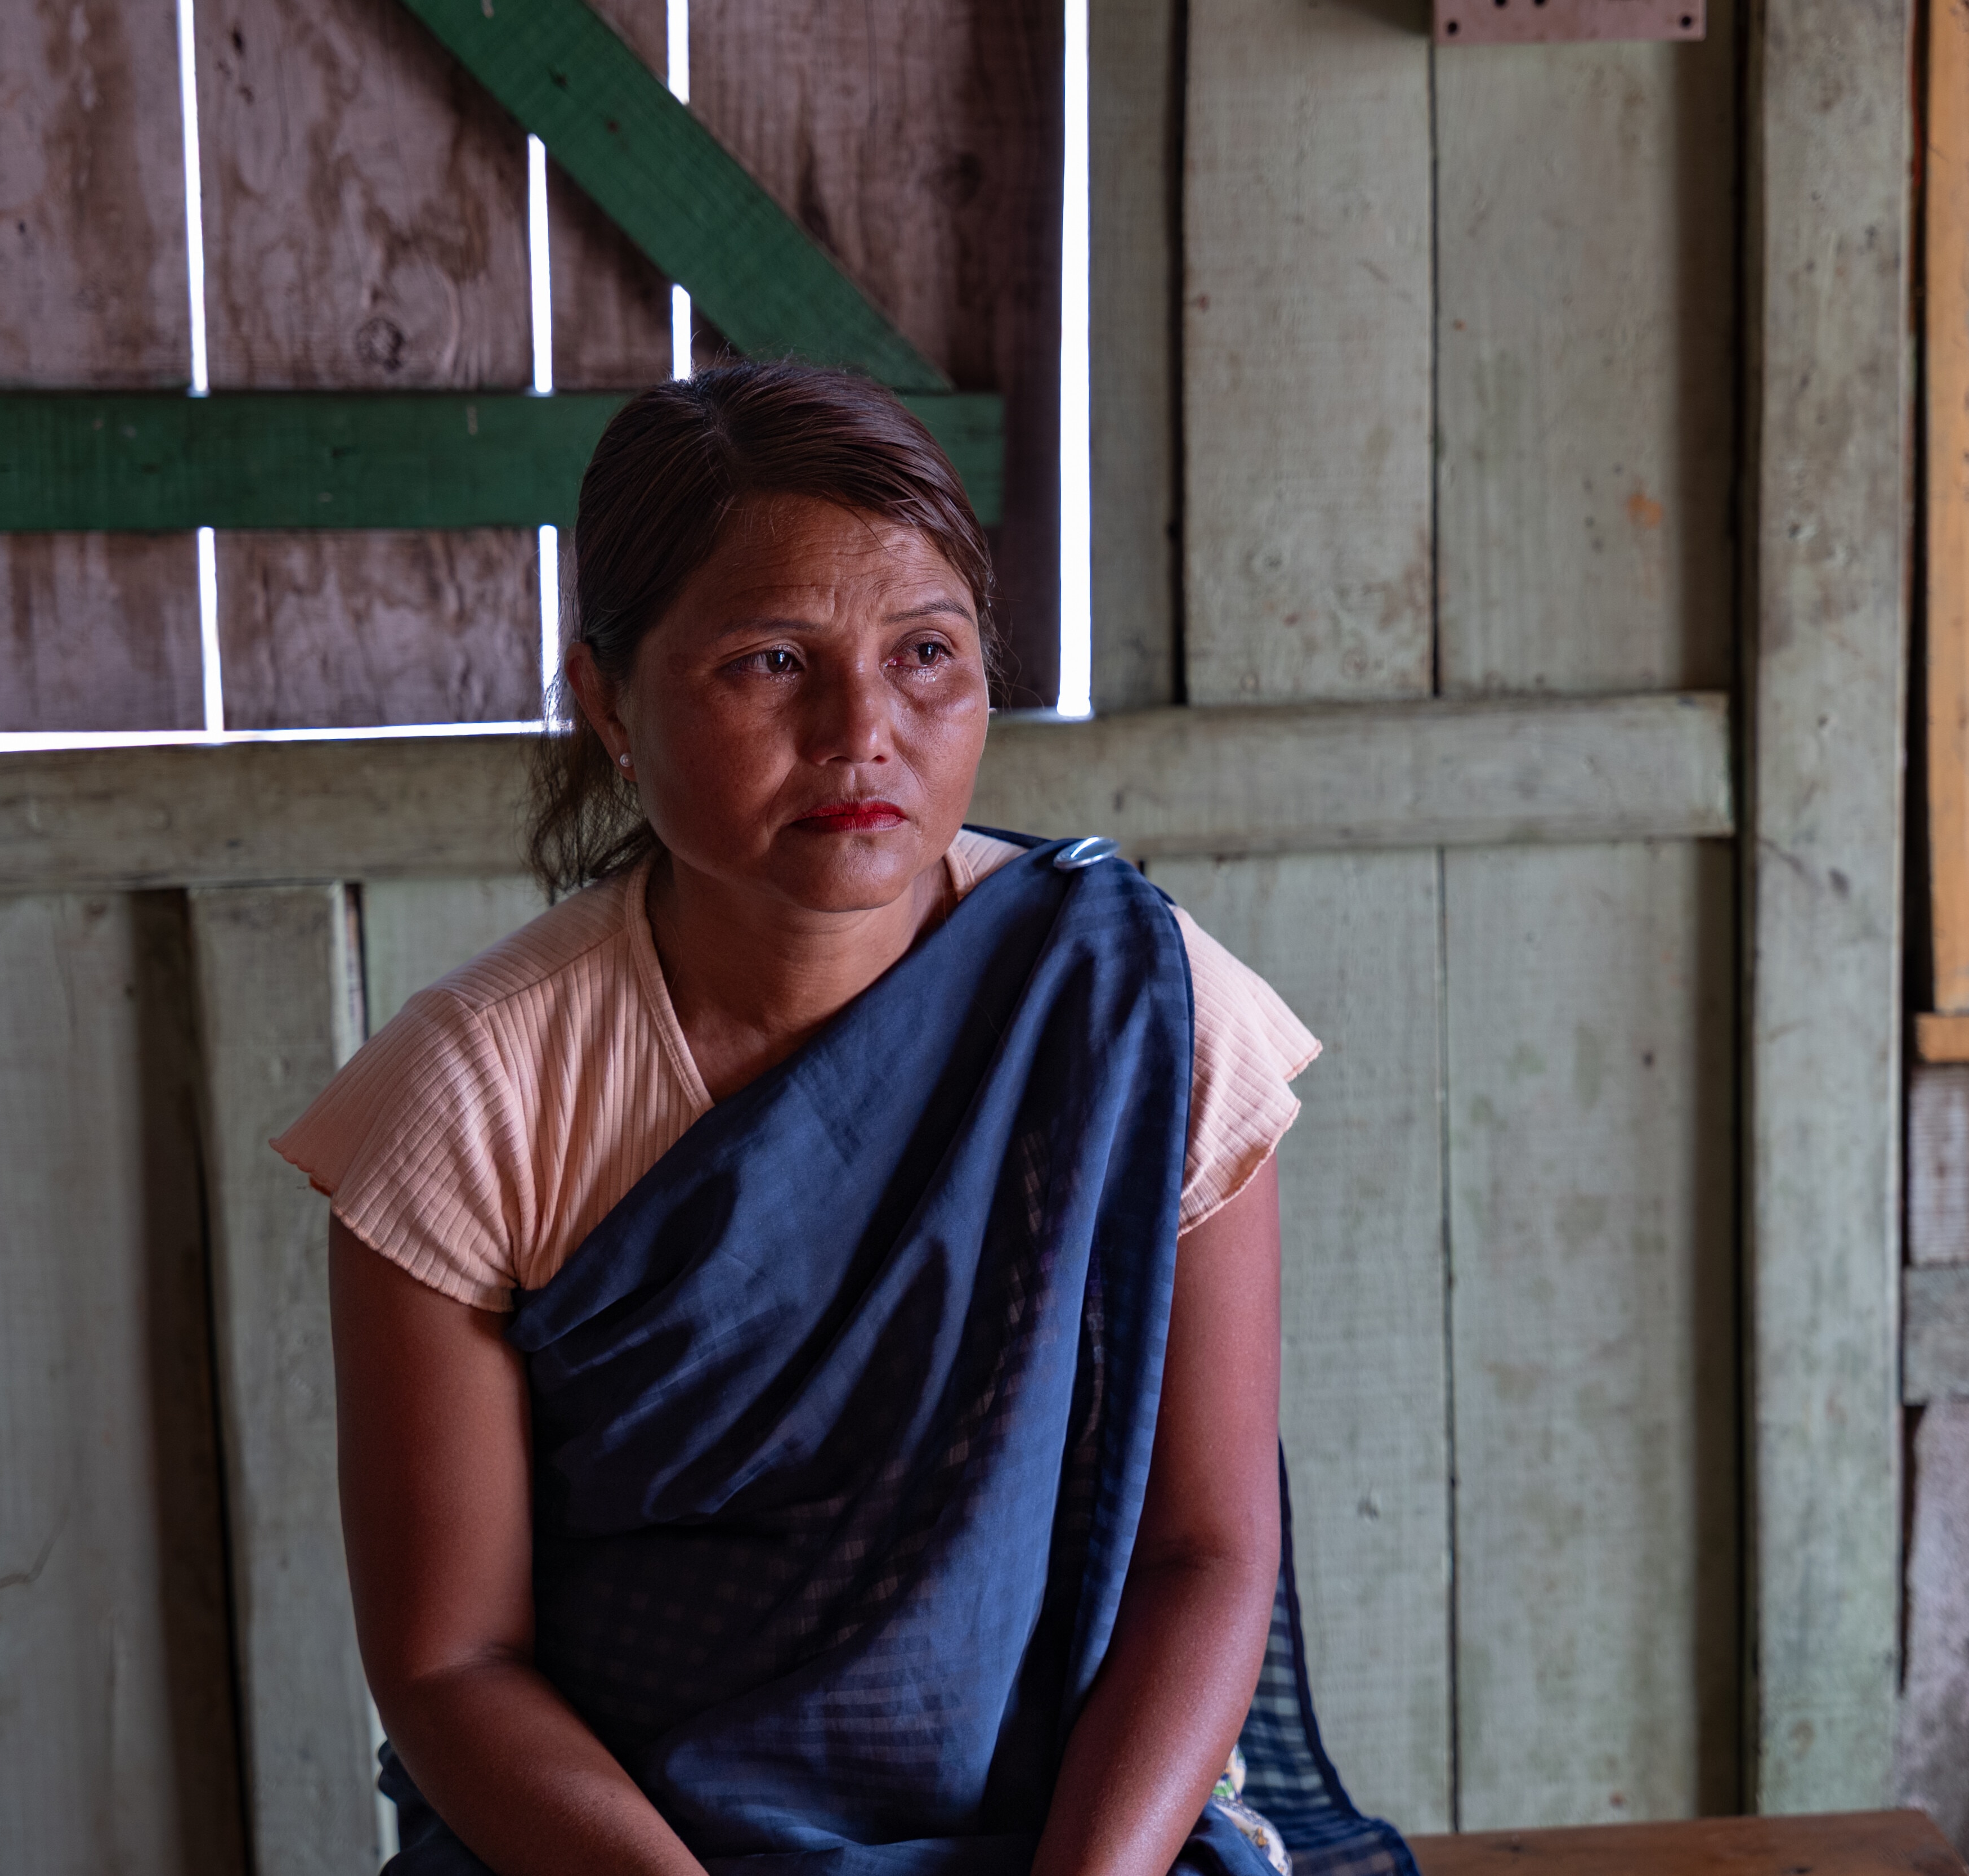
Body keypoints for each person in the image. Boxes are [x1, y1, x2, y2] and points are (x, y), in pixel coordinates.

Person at [274, 361, 1411, 1876]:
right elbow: (452, 1662)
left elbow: (1203, 1556)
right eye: (769, 662)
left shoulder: (1141, 1011)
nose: (862, 729)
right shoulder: (475, 1095)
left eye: (925, 652)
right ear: (609, 701)